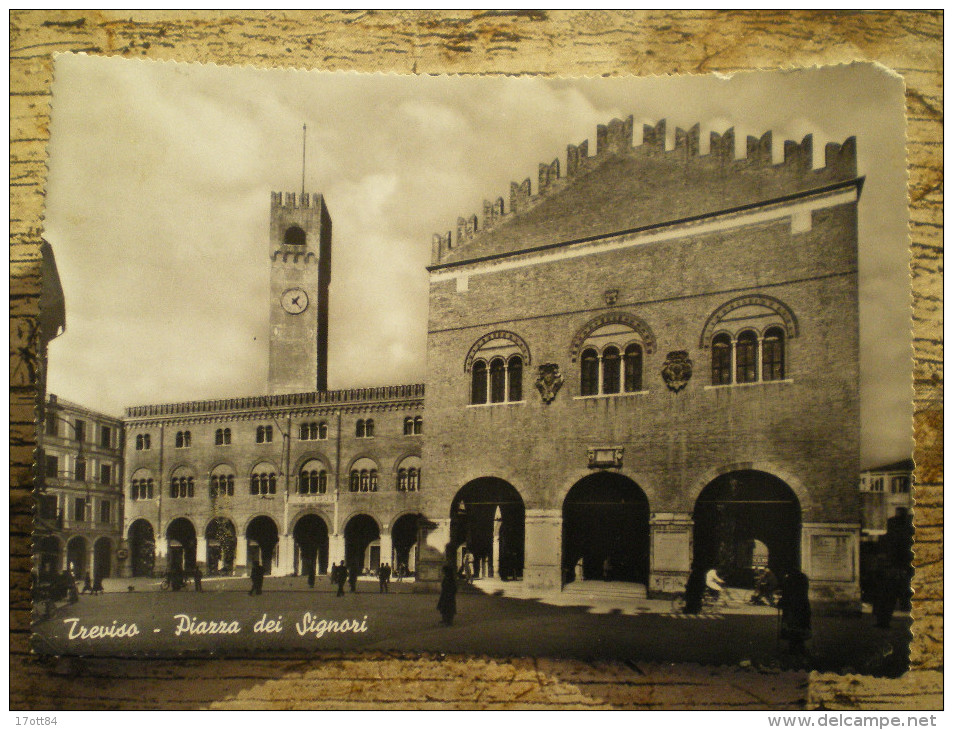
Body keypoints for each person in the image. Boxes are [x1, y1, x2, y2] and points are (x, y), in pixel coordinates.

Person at [778, 568, 812, 655]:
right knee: (801, 627)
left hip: (791, 607)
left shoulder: (788, 579)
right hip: (803, 606)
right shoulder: (804, 578)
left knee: (792, 628)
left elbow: (786, 593)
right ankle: (801, 648)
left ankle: (792, 649)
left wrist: (781, 602)